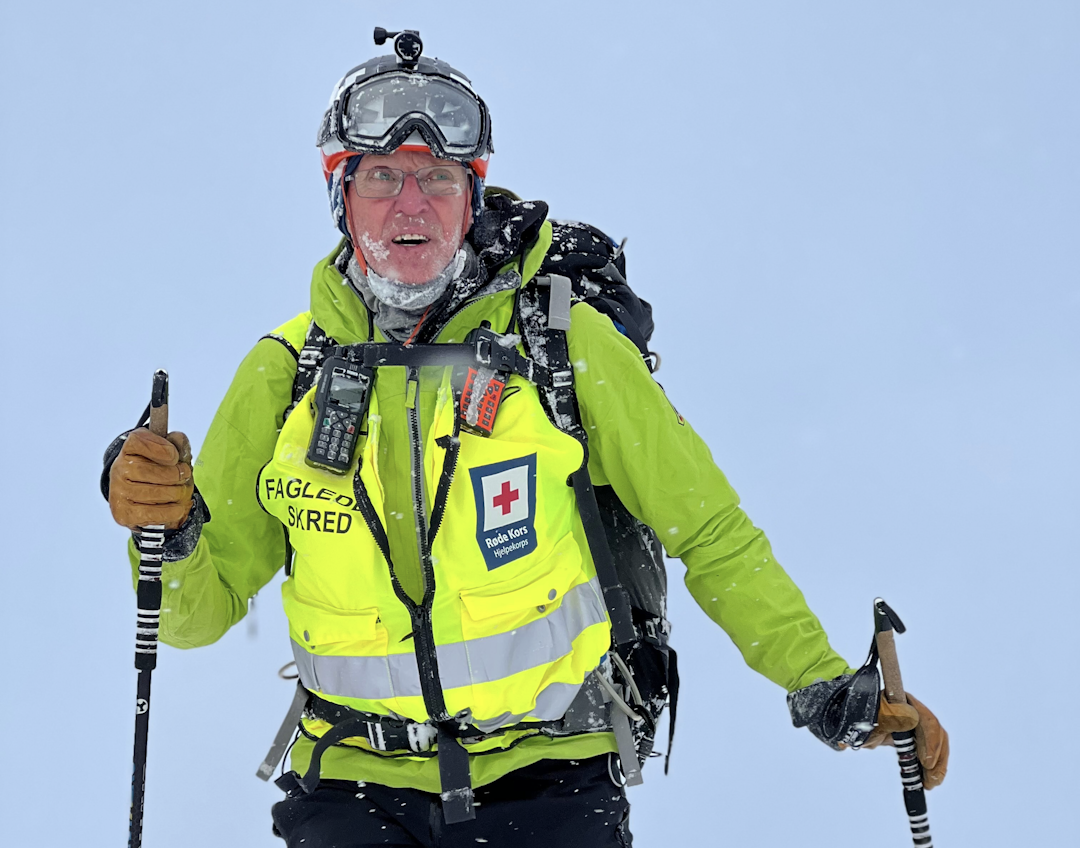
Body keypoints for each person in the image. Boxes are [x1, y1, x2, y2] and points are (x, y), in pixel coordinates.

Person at [104, 28, 948, 848]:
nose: (411, 202)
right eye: (384, 177)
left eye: (438, 176)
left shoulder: (565, 349)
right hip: (350, 790)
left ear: (471, 195)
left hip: (554, 784)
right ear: (340, 194)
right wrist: (164, 533)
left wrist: (820, 681)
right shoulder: (287, 373)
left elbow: (711, 532)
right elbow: (192, 617)